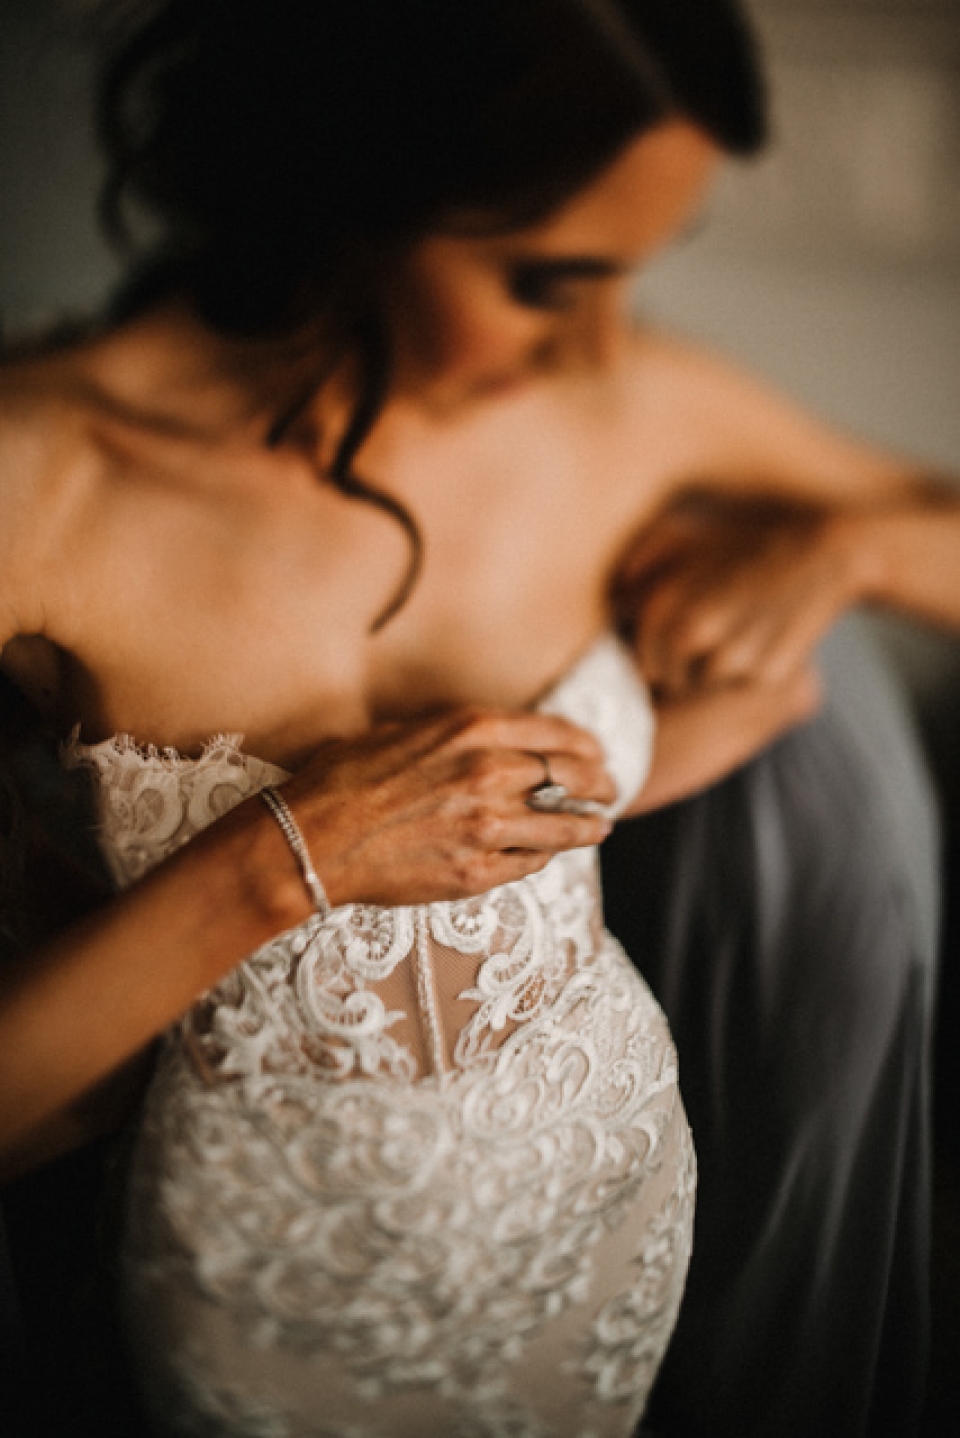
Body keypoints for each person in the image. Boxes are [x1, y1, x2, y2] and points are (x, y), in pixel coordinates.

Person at [0, 0, 958, 1433]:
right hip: (261, 1290)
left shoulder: (622, 413)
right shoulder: (44, 478)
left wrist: (846, 552)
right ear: (353, 185)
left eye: (633, 276)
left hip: (601, 1217)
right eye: (546, 279)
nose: (599, 345)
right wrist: (287, 854)